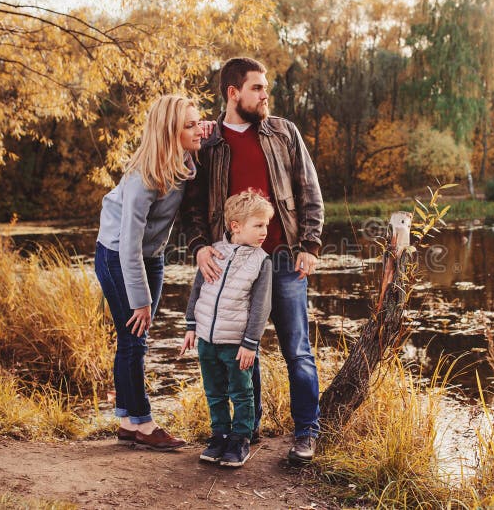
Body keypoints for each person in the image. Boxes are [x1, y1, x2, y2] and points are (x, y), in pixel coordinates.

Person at [181, 57, 324, 463]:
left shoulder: (284, 133)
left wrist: (309, 247)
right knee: (246, 350)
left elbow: (309, 192)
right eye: (257, 88)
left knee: (297, 351)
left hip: (284, 261)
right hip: (234, 265)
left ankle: (306, 433)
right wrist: (199, 247)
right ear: (233, 92)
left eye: (265, 88)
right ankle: (249, 429)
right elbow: (190, 208)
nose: (265, 95)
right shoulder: (207, 143)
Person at [95, 94, 201, 450]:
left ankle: (126, 421)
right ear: (169, 133)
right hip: (117, 256)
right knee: (135, 340)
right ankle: (144, 424)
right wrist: (140, 300)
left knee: (131, 341)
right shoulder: (144, 178)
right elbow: (127, 247)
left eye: (197, 122)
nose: (197, 129)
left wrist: (205, 129)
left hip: (151, 255)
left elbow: (205, 138)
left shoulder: (184, 160)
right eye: (189, 125)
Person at [181, 189, 273, 467]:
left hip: (236, 343)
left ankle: (240, 439)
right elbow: (198, 290)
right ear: (235, 226)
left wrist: (250, 343)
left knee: (242, 392)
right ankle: (219, 435)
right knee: (214, 391)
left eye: (266, 225)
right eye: (258, 225)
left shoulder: (262, 261)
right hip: (207, 339)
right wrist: (190, 326)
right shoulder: (214, 252)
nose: (264, 231)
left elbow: (260, 307)